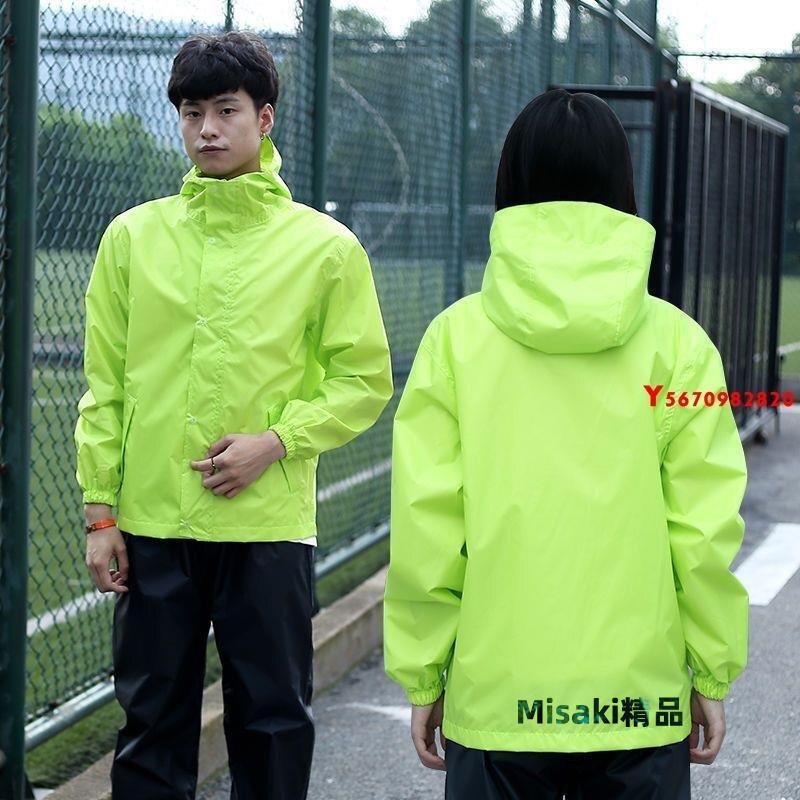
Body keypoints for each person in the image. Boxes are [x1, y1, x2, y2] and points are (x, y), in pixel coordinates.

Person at [383, 88, 748, 799]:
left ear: (510, 183)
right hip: (638, 703)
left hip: (499, 702)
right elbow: (703, 530)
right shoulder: (681, 345)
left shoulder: (454, 340)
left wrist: (425, 676)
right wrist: (710, 671)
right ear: (623, 185)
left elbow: (429, 526)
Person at [74, 30, 393, 800]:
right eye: (192, 113)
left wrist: (277, 442)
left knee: (272, 722)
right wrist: (101, 514)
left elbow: (363, 380)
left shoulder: (325, 248)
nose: (207, 129)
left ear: (265, 118)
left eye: (226, 110)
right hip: (153, 524)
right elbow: (104, 386)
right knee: (151, 725)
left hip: (266, 527)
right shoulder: (132, 238)